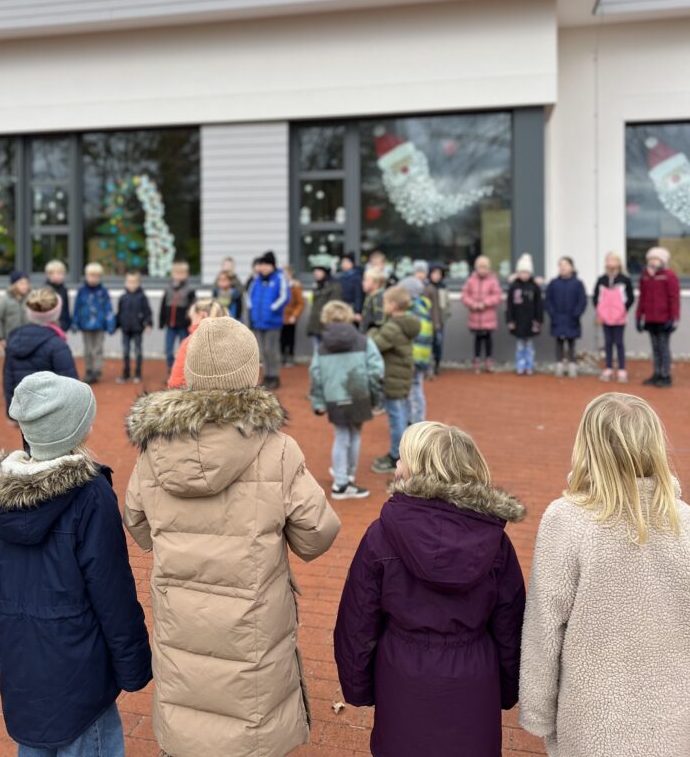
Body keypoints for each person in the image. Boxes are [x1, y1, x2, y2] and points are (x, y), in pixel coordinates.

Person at [124, 317, 340, 757]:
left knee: (189, 710)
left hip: (181, 615)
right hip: (253, 624)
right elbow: (317, 535)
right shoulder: (277, 448)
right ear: (253, 374)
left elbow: (136, 521)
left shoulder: (154, 449)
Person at [0, 372, 152, 756]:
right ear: (75, 427)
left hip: (24, 669)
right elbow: (113, 594)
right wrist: (134, 665)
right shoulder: (90, 498)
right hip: (82, 674)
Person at [335, 421, 526, 757]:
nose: (395, 465)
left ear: (418, 472)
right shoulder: (495, 542)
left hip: (402, 673)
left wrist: (357, 685)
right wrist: (508, 688)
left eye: (401, 460)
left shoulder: (381, 535)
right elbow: (511, 623)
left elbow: (358, 619)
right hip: (474, 674)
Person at [520, 393, 690, 757]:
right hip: (674, 719)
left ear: (588, 447)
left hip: (591, 722)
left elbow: (544, 626)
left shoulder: (567, 520)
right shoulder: (685, 522)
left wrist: (537, 712)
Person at [309, 300, 383, 500]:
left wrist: (318, 402)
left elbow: (316, 374)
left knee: (341, 436)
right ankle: (344, 478)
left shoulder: (323, 345)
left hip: (335, 397)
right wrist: (376, 397)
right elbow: (376, 370)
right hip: (359, 394)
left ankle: (342, 479)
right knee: (355, 435)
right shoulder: (363, 340)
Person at [369, 286, 420, 475]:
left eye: (384, 303)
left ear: (392, 305)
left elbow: (374, 345)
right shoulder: (407, 323)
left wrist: (372, 331)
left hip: (393, 379)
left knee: (395, 418)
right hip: (403, 376)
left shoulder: (392, 327)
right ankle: (407, 454)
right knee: (403, 415)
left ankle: (396, 456)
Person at [3, 287, 78, 412]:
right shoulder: (58, 344)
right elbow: (71, 385)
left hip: (25, 412)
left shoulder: (14, 338)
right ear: (56, 313)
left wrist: (10, 412)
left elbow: (8, 377)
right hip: (51, 413)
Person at [636, 246, 680, 388]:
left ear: (662, 261)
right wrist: (639, 316)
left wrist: (674, 318)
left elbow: (674, 298)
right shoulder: (645, 276)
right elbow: (642, 297)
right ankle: (656, 373)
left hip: (664, 319)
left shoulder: (669, 275)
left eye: (656, 259)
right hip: (650, 319)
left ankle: (666, 375)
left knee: (663, 347)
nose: (653, 261)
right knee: (654, 348)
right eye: (651, 259)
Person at [248, 250, 290, 389]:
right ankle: (266, 376)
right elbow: (250, 297)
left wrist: (273, 308)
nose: (264, 268)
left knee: (271, 349)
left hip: (272, 322)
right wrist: (253, 312)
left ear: (272, 266)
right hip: (259, 322)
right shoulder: (256, 280)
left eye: (267, 265)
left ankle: (274, 376)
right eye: (262, 265)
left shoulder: (279, 278)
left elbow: (285, 297)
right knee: (262, 351)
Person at [593, 251, 634, 384]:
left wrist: (623, 310)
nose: (610, 263)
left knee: (619, 342)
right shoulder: (602, 280)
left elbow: (630, 298)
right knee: (608, 342)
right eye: (608, 260)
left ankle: (622, 369)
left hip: (619, 318)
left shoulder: (624, 279)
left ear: (618, 262)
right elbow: (596, 298)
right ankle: (608, 368)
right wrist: (600, 312)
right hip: (605, 318)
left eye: (613, 260)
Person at [167, 298, 227, 389]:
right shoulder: (232, 340)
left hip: (194, 399)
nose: (190, 324)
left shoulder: (189, 343)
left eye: (192, 319)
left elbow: (176, 383)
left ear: (202, 315)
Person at [72, 262, 115, 385]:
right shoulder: (81, 292)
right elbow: (77, 308)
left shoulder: (103, 292)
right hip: (85, 325)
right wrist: (75, 322)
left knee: (98, 349)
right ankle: (89, 370)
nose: (93, 279)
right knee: (87, 349)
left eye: (96, 276)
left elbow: (108, 309)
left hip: (100, 325)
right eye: (91, 276)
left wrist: (110, 324)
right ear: (86, 276)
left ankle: (97, 370)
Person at [398, 271, 433, 423]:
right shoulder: (423, 308)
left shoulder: (413, 312)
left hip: (413, 356)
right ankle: (414, 419)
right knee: (415, 388)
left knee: (413, 390)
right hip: (422, 356)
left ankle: (416, 421)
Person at [545, 257, 587, 378]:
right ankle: (559, 365)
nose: (563, 267)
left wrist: (576, 314)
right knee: (558, 342)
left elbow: (582, 301)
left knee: (571, 343)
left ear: (572, 267)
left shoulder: (578, 284)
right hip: (557, 319)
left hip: (572, 319)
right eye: (561, 265)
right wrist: (552, 314)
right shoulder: (553, 283)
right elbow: (548, 300)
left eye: (566, 265)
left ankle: (572, 365)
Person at [462, 255, 503, 374]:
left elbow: (497, 296)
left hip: (488, 316)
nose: (483, 270)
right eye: (480, 267)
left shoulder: (493, 281)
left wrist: (485, 303)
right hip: (475, 317)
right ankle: (476, 360)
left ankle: (489, 360)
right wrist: (473, 304)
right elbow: (465, 295)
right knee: (477, 339)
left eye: (485, 267)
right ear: (476, 268)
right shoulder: (471, 280)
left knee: (488, 339)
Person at [506, 253, 543, 376]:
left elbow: (539, 305)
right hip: (518, 321)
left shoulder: (535, 287)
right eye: (521, 272)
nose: (524, 275)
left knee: (529, 345)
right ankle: (520, 365)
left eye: (526, 272)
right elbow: (509, 305)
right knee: (520, 345)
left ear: (530, 273)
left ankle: (530, 365)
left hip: (531, 321)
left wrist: (539, 320)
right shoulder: (514, 287)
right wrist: (510, 320)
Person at [115, 271, 153, 384]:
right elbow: (119, 313)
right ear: (125, 283)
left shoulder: (142, 297)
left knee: (138, 351)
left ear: (139, 283)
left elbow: (147, 312)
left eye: (134, 282)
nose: (131, 285)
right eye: (129, 282)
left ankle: (138, 374)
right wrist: (115, 325)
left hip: (137, 329)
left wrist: (148, 323)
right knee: (126, 352)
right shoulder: (122, 297)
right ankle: (126, 374)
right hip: (125, 329)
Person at [159, 261, 196, 376]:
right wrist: (161, 321)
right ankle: (171, 370)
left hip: (183, 326)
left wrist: (190, 323)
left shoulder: (190, 290)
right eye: (176, 273)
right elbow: (163, 305)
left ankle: (182, 373)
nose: (179, 276)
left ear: (186, 274)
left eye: (182, 273)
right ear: (172, 274)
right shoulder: (168, 288)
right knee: (168, 350)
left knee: (184, 351)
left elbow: (194, 308)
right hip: (170, 325)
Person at [306, 263, 343, 347]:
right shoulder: (316, 286)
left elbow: (335, 307)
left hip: (327, 327)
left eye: (319, 271)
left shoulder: (334, 287)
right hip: (315, 325)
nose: (316, 273)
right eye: (315, 271)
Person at [425, 262, 451, 376]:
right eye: (434, 273)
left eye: (439, 273)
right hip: (428, 321)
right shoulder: (426, 288)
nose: (436, 276)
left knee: (438, 343)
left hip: (440, 321)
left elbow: (447, 304)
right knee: (428, 343)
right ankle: (428, 365)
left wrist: (445, 315)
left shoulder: (443, 287)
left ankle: (437, 364)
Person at [0, 270, 30, 341]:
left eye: (27, 283)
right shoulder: (5, 301)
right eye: (22, 283)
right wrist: (0, 337)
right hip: (11, 338)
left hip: (27, 338)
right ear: (14, 285)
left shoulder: (30, 300)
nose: (25, 286)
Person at [280, 264, 305, 367]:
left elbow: (300, 303)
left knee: (290, 338)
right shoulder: (280, 286)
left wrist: (294, 315)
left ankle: (290, 356)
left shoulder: (295, 287)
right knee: (281, 339)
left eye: (286, 274)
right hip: (280, 318)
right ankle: (282, 356)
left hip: (290, 318)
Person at [44, 259, 72, 332]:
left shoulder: (64, 289)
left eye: (62, 273)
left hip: (62, 325)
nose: (61, 276)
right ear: (49, 274)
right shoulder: (45, 290)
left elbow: (66, 309)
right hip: (49, 326)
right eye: (59, 273)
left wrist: (67, 323)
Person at [360, 267, 387, 334]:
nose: (363, 283)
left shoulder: (379, 298)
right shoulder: (370, 296)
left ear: (376, 283)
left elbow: (379, 323)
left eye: (366, 280)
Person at [338, 252, 364, 321]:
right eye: (342, 262)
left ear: (352, 263)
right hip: (341, 308)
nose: (344, 264)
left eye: (346, 262)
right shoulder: (340, 277)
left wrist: (357, 311)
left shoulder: (357, 278)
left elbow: (358, 296)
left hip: (352, 309)